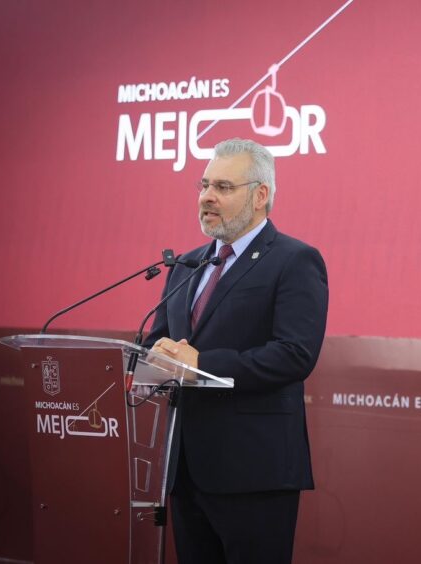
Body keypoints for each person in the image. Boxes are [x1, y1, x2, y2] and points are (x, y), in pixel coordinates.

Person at [145, 138, 328, 564]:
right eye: (204, 185)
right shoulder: (186, 265)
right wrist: (152, 356)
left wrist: (202, 365)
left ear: (260, 195)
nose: (207, 197)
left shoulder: (294, 260)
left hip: (254, 472)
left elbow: (295, 354)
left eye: (223, 187)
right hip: (186, 469)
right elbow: (157, 341)